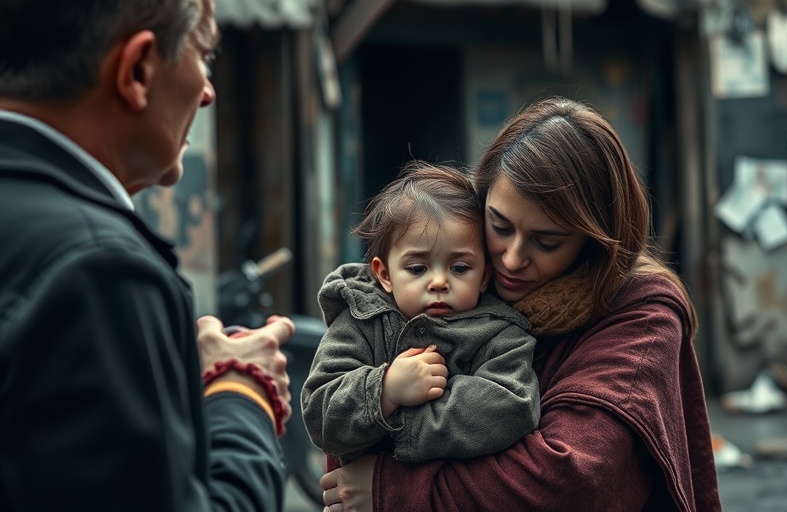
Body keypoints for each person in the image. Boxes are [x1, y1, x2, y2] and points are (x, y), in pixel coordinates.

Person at [319, 97, 722, 511]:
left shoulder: (640, 315)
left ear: (595, 241)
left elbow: (573, 480)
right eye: (500, 226)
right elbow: (333, 423)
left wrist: (392, 487)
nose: (511, 259)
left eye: (547, 242)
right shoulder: (443, 285)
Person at [0, 1, 296, 510]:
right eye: (204, 55)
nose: (208, 92)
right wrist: (241, 390)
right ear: (137, 71)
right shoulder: (101, 272)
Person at [301, 161, 540, 465]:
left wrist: (401, 424)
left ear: (484, 276)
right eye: (417, 268)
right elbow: (319, 414)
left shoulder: (502, 334)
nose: (439, 282)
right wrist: (385, 389)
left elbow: (512, 406)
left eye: (460, 268)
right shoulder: (362, 320)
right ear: (385, 274)